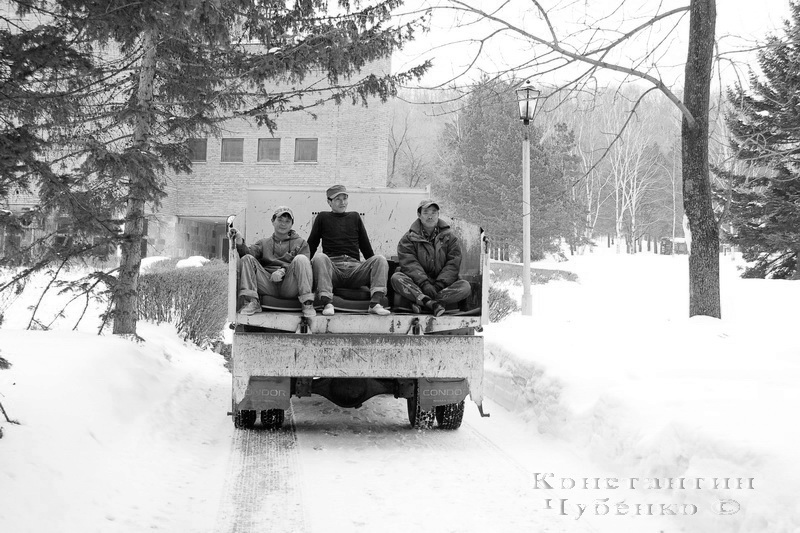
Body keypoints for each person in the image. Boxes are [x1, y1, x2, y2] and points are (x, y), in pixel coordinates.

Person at [308, 184, 390, 316]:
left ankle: (375, 303)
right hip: (333, 269)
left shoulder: (355, 217)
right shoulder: (322, 217)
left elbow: (366, 248)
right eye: (337, 199)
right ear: (329, 202)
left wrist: (374, 269)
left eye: (345, 198)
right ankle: (327, 303)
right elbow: (311, 245)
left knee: (380, 259)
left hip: (355, 270)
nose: (342, 202)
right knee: (319, 257)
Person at [229, 206, 316, 318]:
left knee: (302, 259)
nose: (283, 224)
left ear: (291, 224)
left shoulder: (301, 243)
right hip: (268, 284)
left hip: (290, 286)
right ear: (272, 221)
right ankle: (252, 302)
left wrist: (283, 270)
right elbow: (247, 253)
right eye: (280, 220)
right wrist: (239, 240)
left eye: (287, 221)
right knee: (246, 259)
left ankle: (307, 303)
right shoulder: (263, 243)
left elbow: (305, 266)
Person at [391, 200, 472, 317]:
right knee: (396, 278)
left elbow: (453, 264)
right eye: (426, 212)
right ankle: (434, 304)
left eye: (434, 212)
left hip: (442, 287)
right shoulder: (408, 239)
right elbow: (409, 264)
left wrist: (439, 284)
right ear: (419, 215)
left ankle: (425, 302)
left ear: (438, 215)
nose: (430, 216)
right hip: (418, 285)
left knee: (465, 287)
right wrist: (424, 283)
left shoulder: (451, 238)